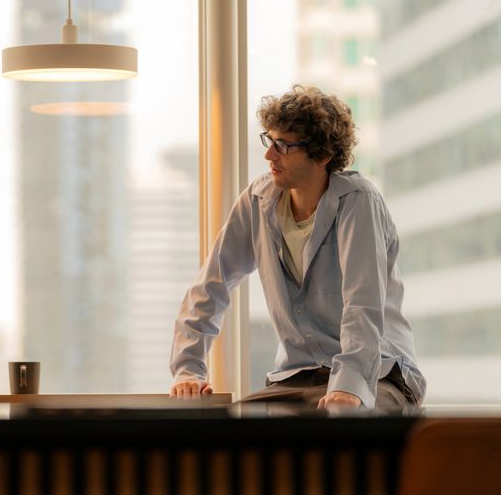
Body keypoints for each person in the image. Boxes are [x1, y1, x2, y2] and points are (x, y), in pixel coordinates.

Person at [169, 85, 425, 411]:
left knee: (344, 429)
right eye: (269, 140)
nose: (269, 155)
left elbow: (362, 305)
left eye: (283, 146)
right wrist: (187, 369)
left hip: (378, 374)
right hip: (295, 376)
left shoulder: (357, 201)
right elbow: (209, 287)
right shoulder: (257, 201)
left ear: (323, 155)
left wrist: (350, 388)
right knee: (231, 440)